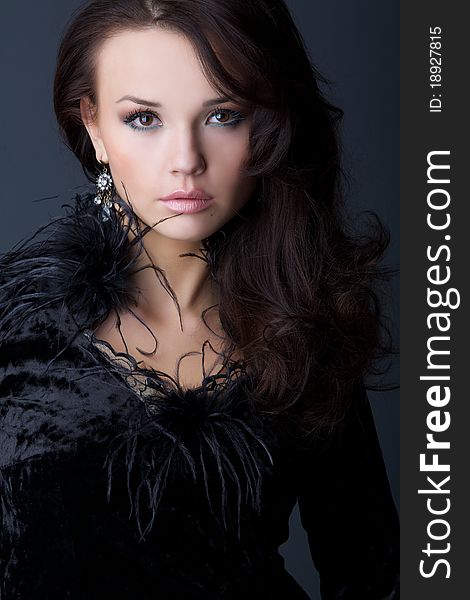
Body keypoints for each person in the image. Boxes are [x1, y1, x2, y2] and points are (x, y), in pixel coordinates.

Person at [0, 0, 399, 598]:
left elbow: (369, 571)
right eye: (143, 119)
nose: (186, 161)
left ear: (267, 129)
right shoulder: (15, 319)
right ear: (93, 127)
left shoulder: (305, 329)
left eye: (224, 116)